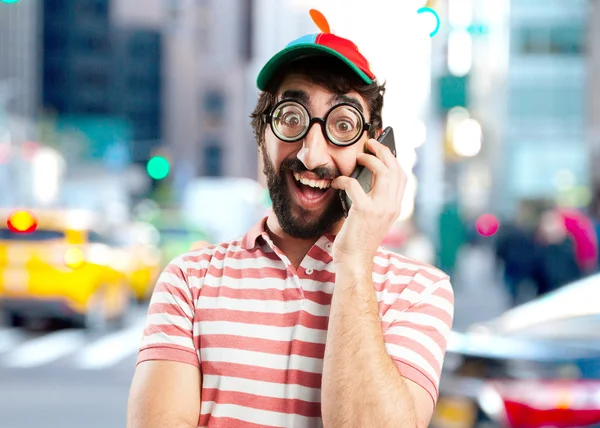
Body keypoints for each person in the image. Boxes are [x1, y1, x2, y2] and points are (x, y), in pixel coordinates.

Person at [127, 11, 454, 428]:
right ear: (261, 132)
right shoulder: (189, 282)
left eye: (342, 125)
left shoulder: (419, 291)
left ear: (375, 150)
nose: (311, 155)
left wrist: (354, 263)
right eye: (291, 119)